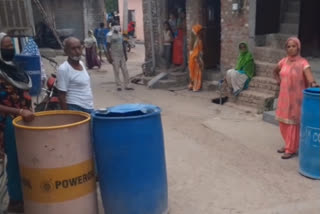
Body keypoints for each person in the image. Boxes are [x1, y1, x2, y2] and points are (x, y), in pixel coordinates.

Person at [0, 32, 34, 213]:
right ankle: (15, 202)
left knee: (27, 160)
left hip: (25, 121)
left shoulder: (14, 68)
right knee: (13, 162)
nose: (9, 50)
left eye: (10, 46)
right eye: (5, 48)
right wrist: (19, 111)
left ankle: (26, 196)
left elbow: (25, 93)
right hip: (8, 124)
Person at [274, 37, 318, 159]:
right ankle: (288, 143)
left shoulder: (303, 62)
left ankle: (291, 149)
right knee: (283, 122)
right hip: (284, 97)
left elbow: (309, 76)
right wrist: (279, 81)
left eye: (293, 46)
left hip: (296, 99)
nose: (291, 48)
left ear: (298, 47)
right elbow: (275, 71)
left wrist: (313, 83)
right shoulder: (283, 61)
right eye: (288, 46)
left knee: (293, 123)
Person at [57, 37, 94, 114]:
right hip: (75, 108)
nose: (77, 51)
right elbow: (61, 96)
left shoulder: (81, 63)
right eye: (73, 49)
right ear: (66, 51)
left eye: (79, 48)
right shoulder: (64, 69)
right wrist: (67, 116)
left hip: (89, 107)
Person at [107, 24, 133, 91]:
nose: (118, 27)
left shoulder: (120, 34)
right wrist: (109, 57)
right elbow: (108, 46)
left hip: (121, 55)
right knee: (116, 70)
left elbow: (123, 44)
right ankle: (118, 86)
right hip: (114, 55)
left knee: (125, 70)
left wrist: (125, 55)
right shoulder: (109, 35)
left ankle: (127, 85)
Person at [188, 24, 204, 92]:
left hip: (191, 59)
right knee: (197, 73)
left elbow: (191, 51)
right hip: (196, 59)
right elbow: (197, 53)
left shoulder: (192, 41)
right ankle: (196, 87)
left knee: (192, 73)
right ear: (198, 32)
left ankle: (191, 86)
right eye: (201, 31)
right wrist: (199, 61)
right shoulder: (198, 41)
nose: (202, 32)